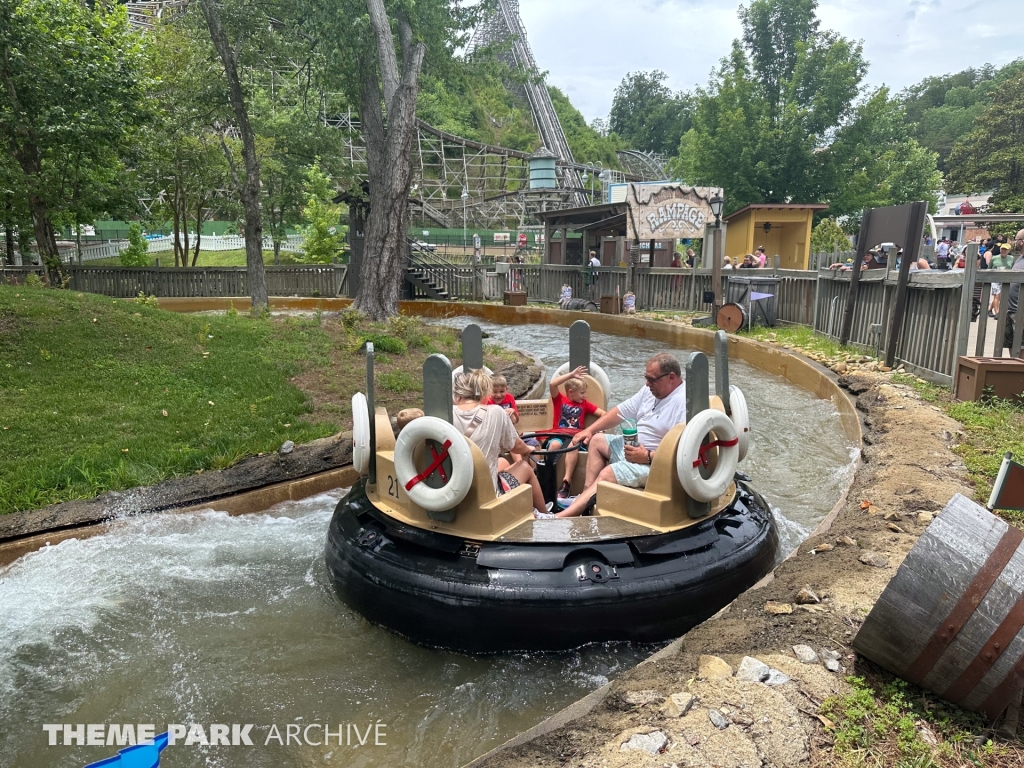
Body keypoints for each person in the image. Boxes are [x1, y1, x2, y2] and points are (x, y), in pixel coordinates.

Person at [556, 353, 687, 518]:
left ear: (671, 377)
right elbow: (620, 412)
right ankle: (584, 500)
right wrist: (589, 430)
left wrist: (647, 456)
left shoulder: (683, 403)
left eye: (652, 379)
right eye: (646, 378)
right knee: (596, 440)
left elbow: (682, 454)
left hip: (656, 466)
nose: (647, 384)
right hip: (636, 451)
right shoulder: (649, 391)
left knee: (608, 472)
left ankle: (560, 517)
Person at [451, 370, 548, 517]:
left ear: (457, 396)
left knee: (502, 461)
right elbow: (517, 446)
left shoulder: (446, 414)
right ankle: (544, 514)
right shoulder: (496, 412)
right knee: (524, 466)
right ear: (484, 393)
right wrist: (528, 448)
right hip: (487, 496)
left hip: (455, 491)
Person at [545, 366, 606, 504]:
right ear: (570, 392)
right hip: (559, 435)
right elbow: (552, 384)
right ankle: (547, 479)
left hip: (575, 438)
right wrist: (571, 375)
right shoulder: (560, 400)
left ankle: (566, 482)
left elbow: (603, 414)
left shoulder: (584, 404)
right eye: (582, 393)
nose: (584, 396)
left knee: (573, 445)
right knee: (554, 445)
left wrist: (598, 429)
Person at [988, 243, 1015, 317]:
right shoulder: (994, 258)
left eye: (1005, 249)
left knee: (1000, 296)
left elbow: (1013, 269)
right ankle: (997, 313)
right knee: (997, 296)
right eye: (1002, 249)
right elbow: (989, 268)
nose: (1003, 251)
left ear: (1008, 250)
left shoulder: (1011, 258)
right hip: (995, 279)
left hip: (1006, 280)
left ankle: (990, 309)